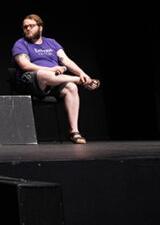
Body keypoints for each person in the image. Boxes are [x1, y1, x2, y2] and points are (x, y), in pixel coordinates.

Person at [11, 13, 100, 144]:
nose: (28, 29)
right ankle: (79, 81)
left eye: (31, 26)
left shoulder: (51, 43)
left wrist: (82, 73)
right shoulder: (20, 44)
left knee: (71, 87)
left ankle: (74, 131)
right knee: (43, 74)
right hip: (31, 82)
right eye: (25, 27)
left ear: (40, 27)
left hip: (55, 81)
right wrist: (52, 70)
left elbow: (66, 61)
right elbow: (25, 65)